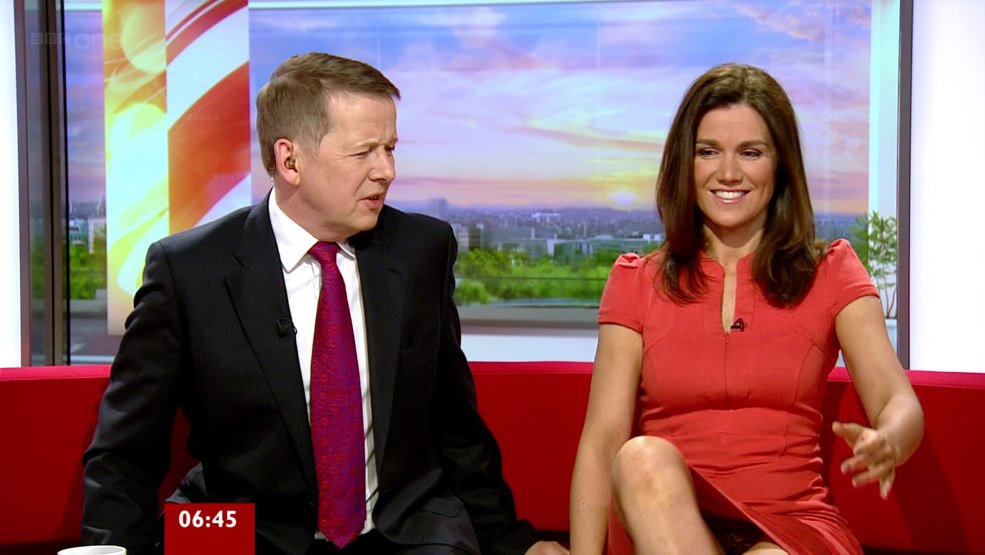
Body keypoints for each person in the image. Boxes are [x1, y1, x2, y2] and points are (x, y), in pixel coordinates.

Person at [82, 52, 567, 555]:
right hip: (241, 525)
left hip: (403, 527)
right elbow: (125, 449)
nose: (387, 171)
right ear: (290, 160)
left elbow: (455, 424)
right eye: (363, 153)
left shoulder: (421, 250)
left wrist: (513, 543)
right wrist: (110, 550)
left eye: (390, 149)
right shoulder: (190, 270)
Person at [568, 63, 924, 554]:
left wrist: (890, 440)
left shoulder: (831, 271)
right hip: (665, 523)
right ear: (685, 163)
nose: (728, 173)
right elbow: (603, 441)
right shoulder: (636, 281)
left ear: (780, 165)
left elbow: (898, 402)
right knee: (639, 458)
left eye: (751, 153)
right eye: (708, 151)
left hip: (793, 529)